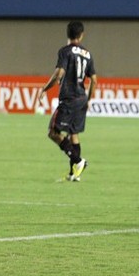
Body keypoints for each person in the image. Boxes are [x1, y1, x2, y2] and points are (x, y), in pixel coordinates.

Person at [38, 21, 96, 182]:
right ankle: (73, 174)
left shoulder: (65, 51)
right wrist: (89, 99)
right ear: (81, 34)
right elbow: (94, 80)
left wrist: (44, 88)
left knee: (53, 132)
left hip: (69, 98)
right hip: (81, 98)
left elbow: (59, 74)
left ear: (68, 34)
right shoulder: (88, 54)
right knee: (73, 134)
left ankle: (78, 161)